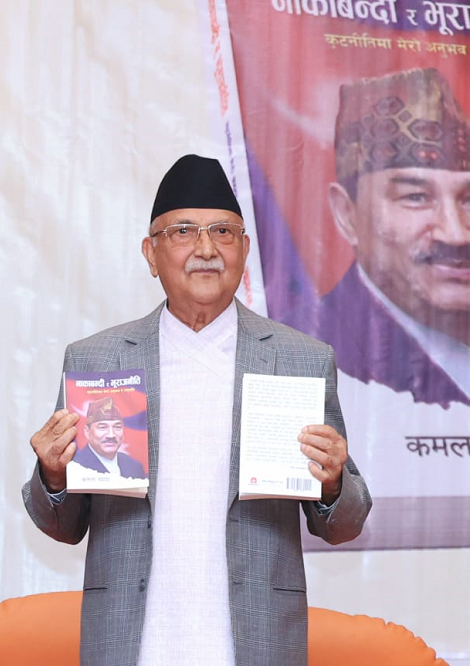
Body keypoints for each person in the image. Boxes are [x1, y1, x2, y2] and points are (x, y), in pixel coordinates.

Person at [23, 154, 372, 666]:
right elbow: (63, 525)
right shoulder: (98, 361)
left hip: (257, 645)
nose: (206, 249)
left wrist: (334, 482)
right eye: (183, 231)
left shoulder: (300, 360)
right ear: (151, 252)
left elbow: (343, 525)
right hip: (130, 644)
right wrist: (53, 475)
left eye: (223, 232)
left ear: (244, 250)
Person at [285, 67, 470, 407]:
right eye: (416, 197)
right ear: (347, 214)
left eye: (469, 200)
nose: (456, 234)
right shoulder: (295, 356)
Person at [72, 397, 147, 479]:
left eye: (117, 427)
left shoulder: (134, 466)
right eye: (102, 427)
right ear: (87, 432)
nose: (111, 435)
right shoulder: (74, 466)